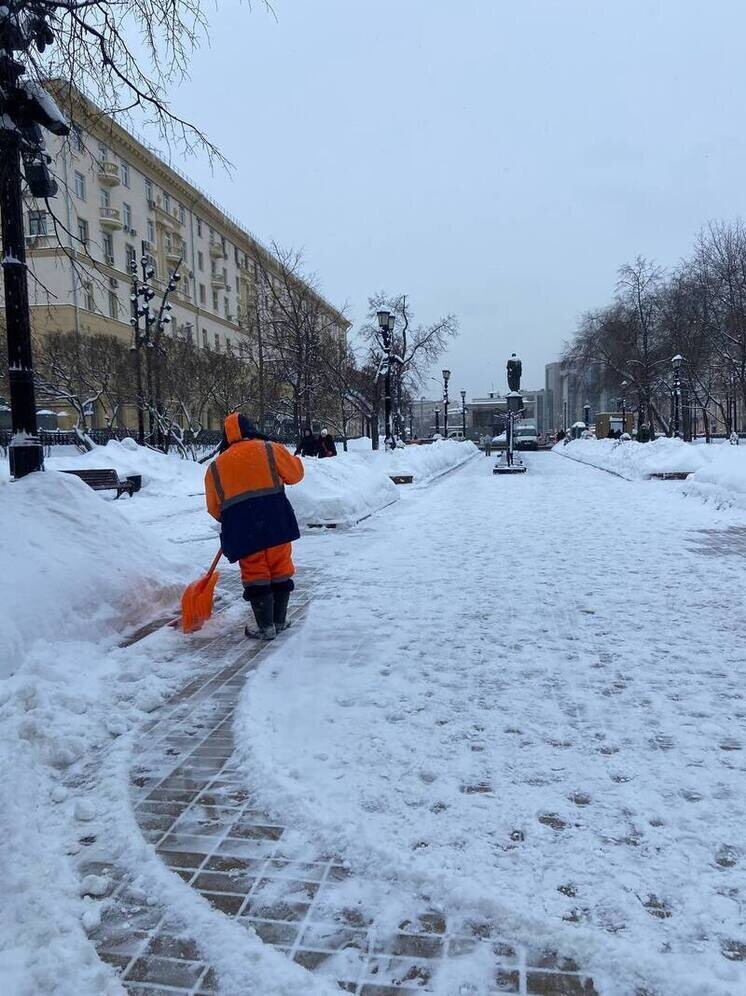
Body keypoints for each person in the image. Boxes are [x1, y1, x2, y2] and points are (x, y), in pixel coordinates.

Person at [205, 413, 304, 640]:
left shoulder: (215, 467)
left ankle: (265, 627)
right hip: (276, 519)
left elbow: (213, 508)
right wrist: (295, 461)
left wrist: (236, 516)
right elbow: (295, 475)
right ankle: (280, 620)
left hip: (243, 527)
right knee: (280, 566)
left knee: (255, 572)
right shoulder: (270, 449)